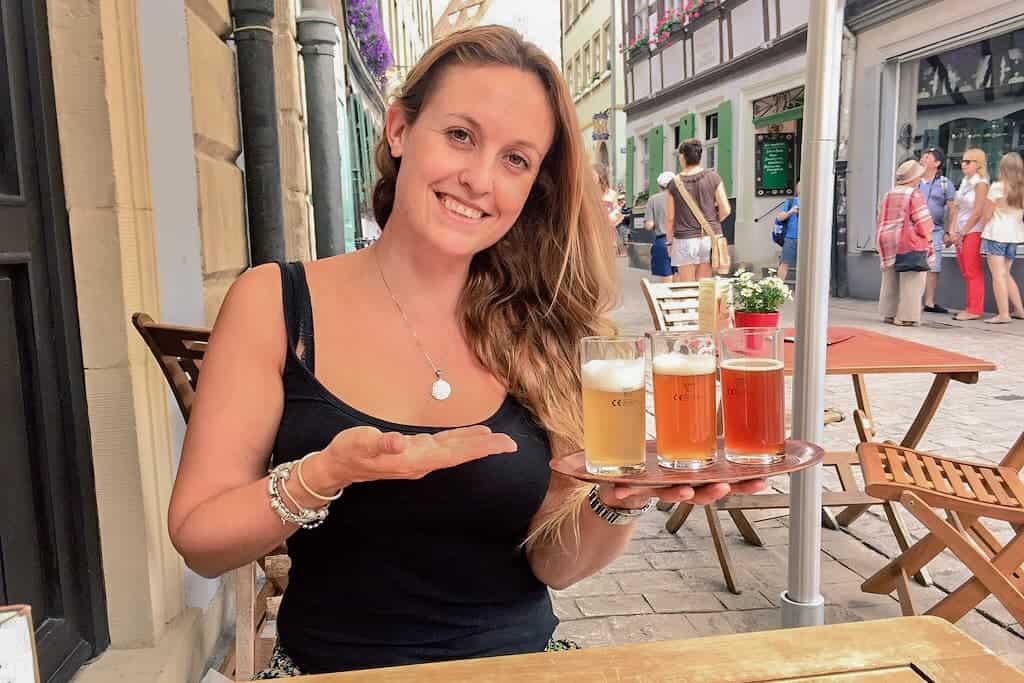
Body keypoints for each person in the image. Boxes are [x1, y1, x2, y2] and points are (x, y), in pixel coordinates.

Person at [167, 26, 763, 678]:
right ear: (398, 130)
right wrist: (322, 474)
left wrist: (617, 498)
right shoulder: (276, 304)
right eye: (460, 135)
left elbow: (553, 565)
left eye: (515, 159)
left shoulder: (545, 327)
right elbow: (200, 541)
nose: (480, 178)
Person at [876, 160, 935, 326]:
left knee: (890, 278)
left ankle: (889, 313)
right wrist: (929, 240)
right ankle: (906, 317)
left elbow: (880, 217)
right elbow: (922, 220)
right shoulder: (913, 194)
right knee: (912, 279)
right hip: (907, 242)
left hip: (887, 239)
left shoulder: (889, 194)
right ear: (914, 177)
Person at [665, 139, 731, 282]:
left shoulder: (674, 184)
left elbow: (670, 218)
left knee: (687, 286)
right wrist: (711, 222)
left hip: (684, 240)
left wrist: (669, 243)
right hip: (709, 238)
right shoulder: (714, 177)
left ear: (682, 157)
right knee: (704, 287)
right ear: (699, 156)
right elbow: (725, 209)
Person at [980, 152, 1024, 323]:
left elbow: (986, 214)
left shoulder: (997, 187)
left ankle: (1003, 314)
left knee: (998, 275)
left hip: (996, 234)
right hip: (1014, 236)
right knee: (1006, 273)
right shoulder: (1021, 189)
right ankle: (1019, 309)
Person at [951, 148, 990, 321]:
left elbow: (978, 211)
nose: (963, 164)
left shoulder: (981, 183)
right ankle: (970, 306)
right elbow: (956, 207)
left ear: (978, 164)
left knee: (972, 270)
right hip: (961, 230)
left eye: (968, 161)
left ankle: (974, 309)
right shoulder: (965, 182)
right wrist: (952, 230)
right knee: (966, 270)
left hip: (972, 231)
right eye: (963, 161)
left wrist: (962, 232)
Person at [917, 148, 957, 313]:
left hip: (935, 230)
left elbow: (953, 209)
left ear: (937, 163)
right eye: (923, 156)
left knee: (933, 266)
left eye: (928, 157)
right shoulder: (914, 180)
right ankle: (911, 299)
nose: (923, 159)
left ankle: (929, 302)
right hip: (915, 230)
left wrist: (950, 231)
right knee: (913, 263)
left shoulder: (944, 183)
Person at [646, 171, 675, 281]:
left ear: (660, 185)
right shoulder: (680, 197)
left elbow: (649, 225)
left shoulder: (653, 199)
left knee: (666, 278)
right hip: (680, 239)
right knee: (681, 277)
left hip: (663, 241)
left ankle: (668, 298)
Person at [774, 181, 800, 283]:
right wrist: (790, 211)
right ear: (797, 189)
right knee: (784, 263)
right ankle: (778, 288)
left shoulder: (811, 201)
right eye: (799, 186)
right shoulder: (790, 202)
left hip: (807, 238)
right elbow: (779, 217)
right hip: (791, 238)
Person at [593, 163, 621, 251]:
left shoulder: (612, 194)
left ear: (601, 176)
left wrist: (611, 217)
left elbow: (617, 215)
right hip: (592, 236)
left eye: (592, 174)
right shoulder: (587, 194)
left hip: (607, 236)